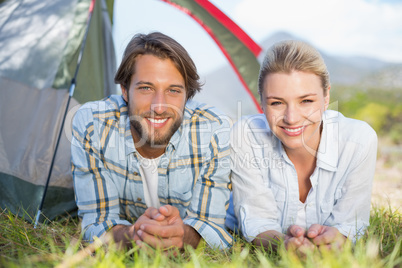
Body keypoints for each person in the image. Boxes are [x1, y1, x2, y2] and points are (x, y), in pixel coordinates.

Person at [71, 32, 232, 250]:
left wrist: (181, 235)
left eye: (173, 90)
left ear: (187, 96)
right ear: (125, 91)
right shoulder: (92, 124)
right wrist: (133, 235)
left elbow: (212, 226)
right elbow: (96, 222)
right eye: (146, 88)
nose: (159, 106)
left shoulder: (213, 130)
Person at [225, 40, 377, 254]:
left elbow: (351, 223)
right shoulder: (245, 136)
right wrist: (284, 247)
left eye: (306, 101)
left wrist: (339, 238)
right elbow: (256, 221)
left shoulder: (358, 141)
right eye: (276, 103)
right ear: (262, 102)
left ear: (326, 98)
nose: (292, 118)